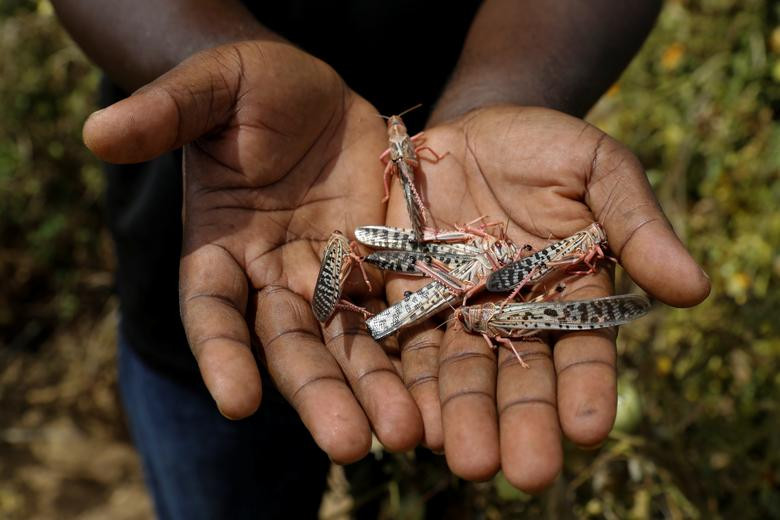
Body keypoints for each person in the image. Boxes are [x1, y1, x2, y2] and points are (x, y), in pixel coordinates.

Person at [52, 1, 710, 518]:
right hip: (221, 261)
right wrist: (206, 54)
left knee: (433, 473)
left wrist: (503, 97)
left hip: (452, 261)